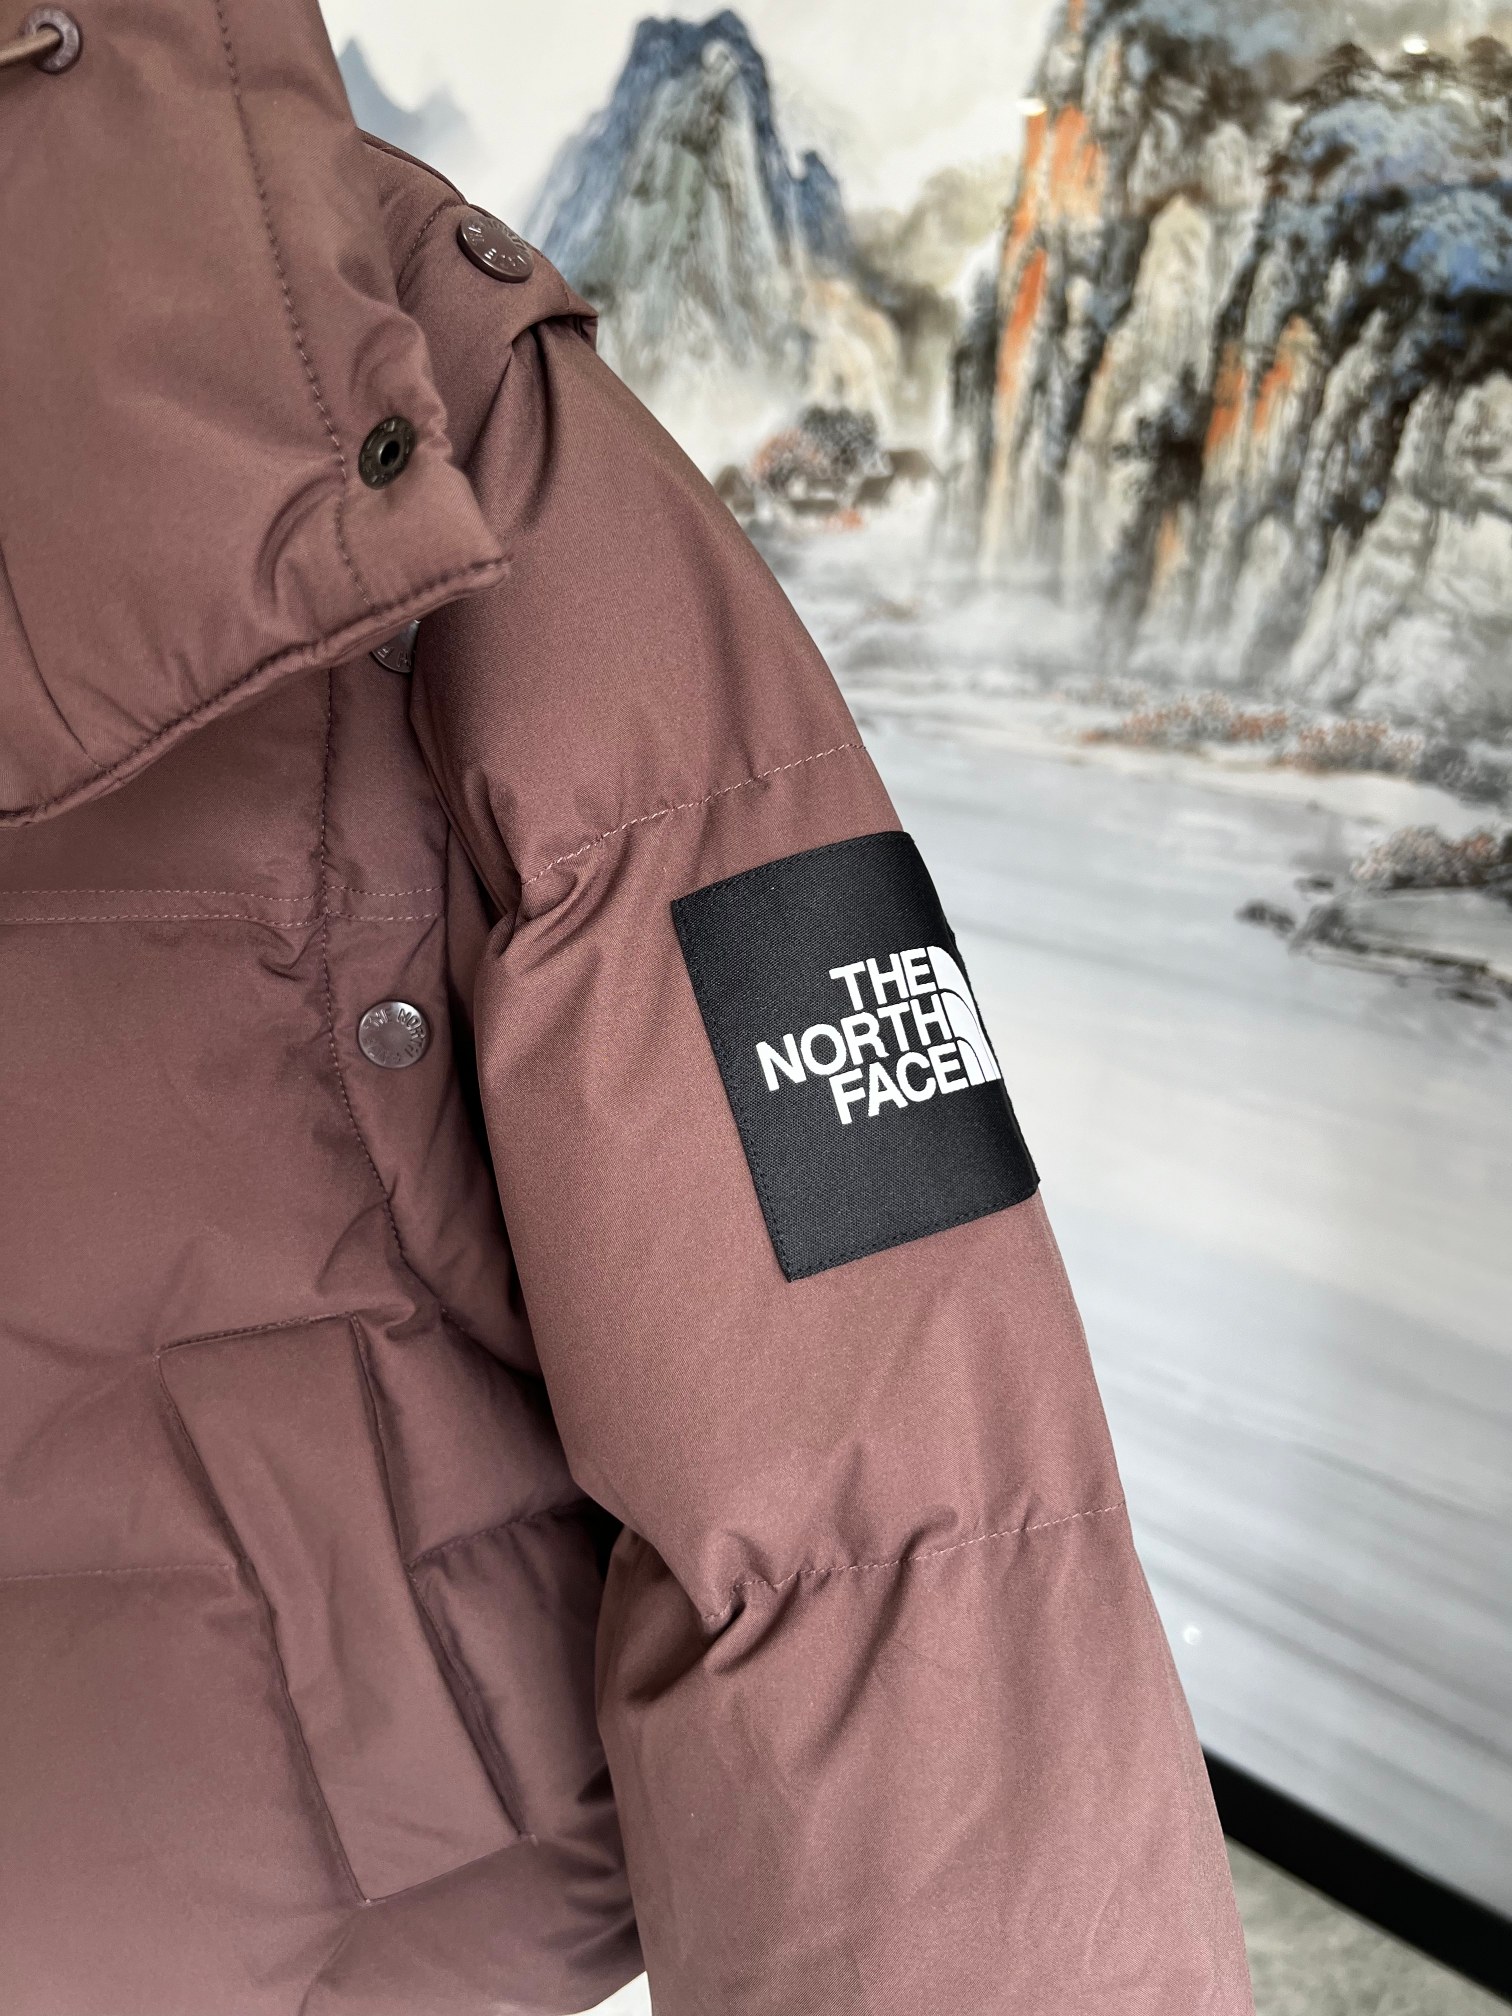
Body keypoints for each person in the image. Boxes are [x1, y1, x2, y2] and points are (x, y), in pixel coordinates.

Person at [0, 2, 1254, 2011]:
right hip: (359, 1855)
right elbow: (878, 1446)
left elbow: (861, 1403)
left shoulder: (381, 363)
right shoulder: (366, 351)